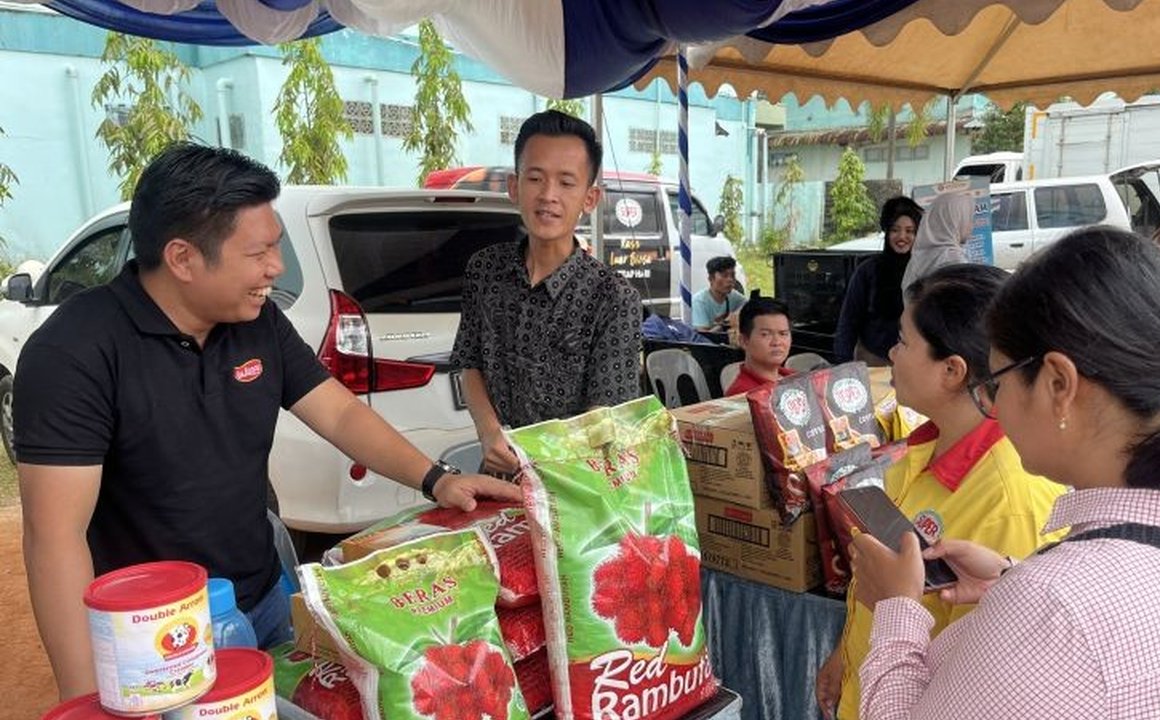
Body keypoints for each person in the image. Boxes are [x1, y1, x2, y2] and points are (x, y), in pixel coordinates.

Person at [15, 143, 522, 701]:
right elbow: (54, 537)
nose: (276, 268)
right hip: (154, 640)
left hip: (259, 594)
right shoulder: (75, 352)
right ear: (183, 259)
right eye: (259, 253)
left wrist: (438, 479)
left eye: (277, 246)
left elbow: (337, 410)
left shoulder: (256, 322)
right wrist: (85, 700)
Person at [850, 227, 1160, 719]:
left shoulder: (1058, 605)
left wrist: (895, 609)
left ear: (1058, 384)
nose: (991, 404)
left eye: (997, 381)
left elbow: (1082, 629)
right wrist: (1012, 579)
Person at [815, 264, 1066, 720]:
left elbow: (983, 683)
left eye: (903, 340)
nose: (891, 353)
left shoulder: (1010, 501)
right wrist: (845, 657)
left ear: (952, 369)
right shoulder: (923, 449)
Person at [452, 110, 644, 476]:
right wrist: (490, 434)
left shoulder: (614, 298)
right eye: (535, 178)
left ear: (590, 198)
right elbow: (470, 360)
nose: (548, 195)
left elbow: (605, 418)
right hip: (498, 477)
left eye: (566, 183)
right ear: (514, 187)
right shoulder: (485, 270)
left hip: (576, 487)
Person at [834, 197, 923, 365]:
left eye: (910, 231)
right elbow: (849, 319)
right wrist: (843, 363)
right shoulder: (868, 270)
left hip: (913, 363)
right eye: (895, 230)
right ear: (886, 231)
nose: (902, 237)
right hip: (873, 359)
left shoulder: (923, 269)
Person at [899, 191, 973, 295]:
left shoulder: (918, 256)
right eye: (968, 219)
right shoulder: (953, 260)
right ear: (954, 221)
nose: (971, 226)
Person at [724, 297, 794, 396]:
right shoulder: (742, 396)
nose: (777, 342)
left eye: (783, 334)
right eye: (765, 334)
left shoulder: (797, 378)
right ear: (744, 341)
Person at [691, 255, 746, 331]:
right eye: (724, 275)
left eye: (732, 275)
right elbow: (704, 336)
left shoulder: (734, 296)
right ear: (711, 279)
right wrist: (726, 323)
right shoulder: (700, 301)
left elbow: (748, 305)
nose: (730, 280)